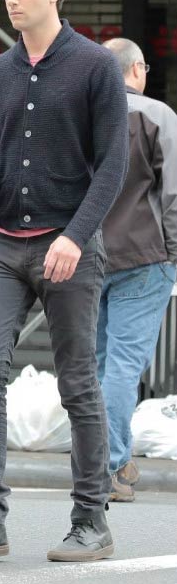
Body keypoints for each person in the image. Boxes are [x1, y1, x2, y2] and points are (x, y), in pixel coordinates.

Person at [0, 0, 129, 563]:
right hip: (2, 244)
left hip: (68, 243)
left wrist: (76, 236)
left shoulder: (96, 66)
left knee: (78, 385)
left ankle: (90, 522)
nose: (12, 0)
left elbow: (112, 167)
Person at [97, 38, 177, 502]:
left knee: (98, 365)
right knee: (124, 367)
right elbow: (173, 193)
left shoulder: (81, 114)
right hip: (145, 258)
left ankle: (104, 461)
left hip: (85, 257)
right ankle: (108, 466)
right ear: (138, 69)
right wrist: (172, 252)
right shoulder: (157, 115)